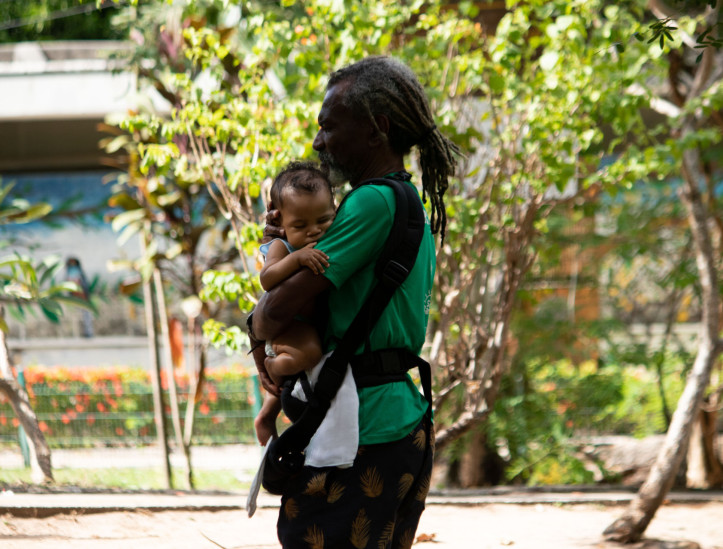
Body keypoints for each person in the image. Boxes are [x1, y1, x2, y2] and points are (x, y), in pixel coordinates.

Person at [248, 56, 459, 549]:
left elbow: (275, 313)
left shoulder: (369, 203)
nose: (319, 141)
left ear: (375, 129)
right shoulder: (408, 201)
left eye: (329, 126)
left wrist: (263, 306)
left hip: (361, 431)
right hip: (401, 420)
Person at [253, 161, 335, 447]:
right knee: (309, 352)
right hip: (290, 325)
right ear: (281, 224)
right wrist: (296, 259)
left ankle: (265, 417)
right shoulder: (282, 246)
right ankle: (273, 367)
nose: (314, 231)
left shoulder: (334, 239)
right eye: (300, 225)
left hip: (309, 322)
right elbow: (267, 278)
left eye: (323, 221)